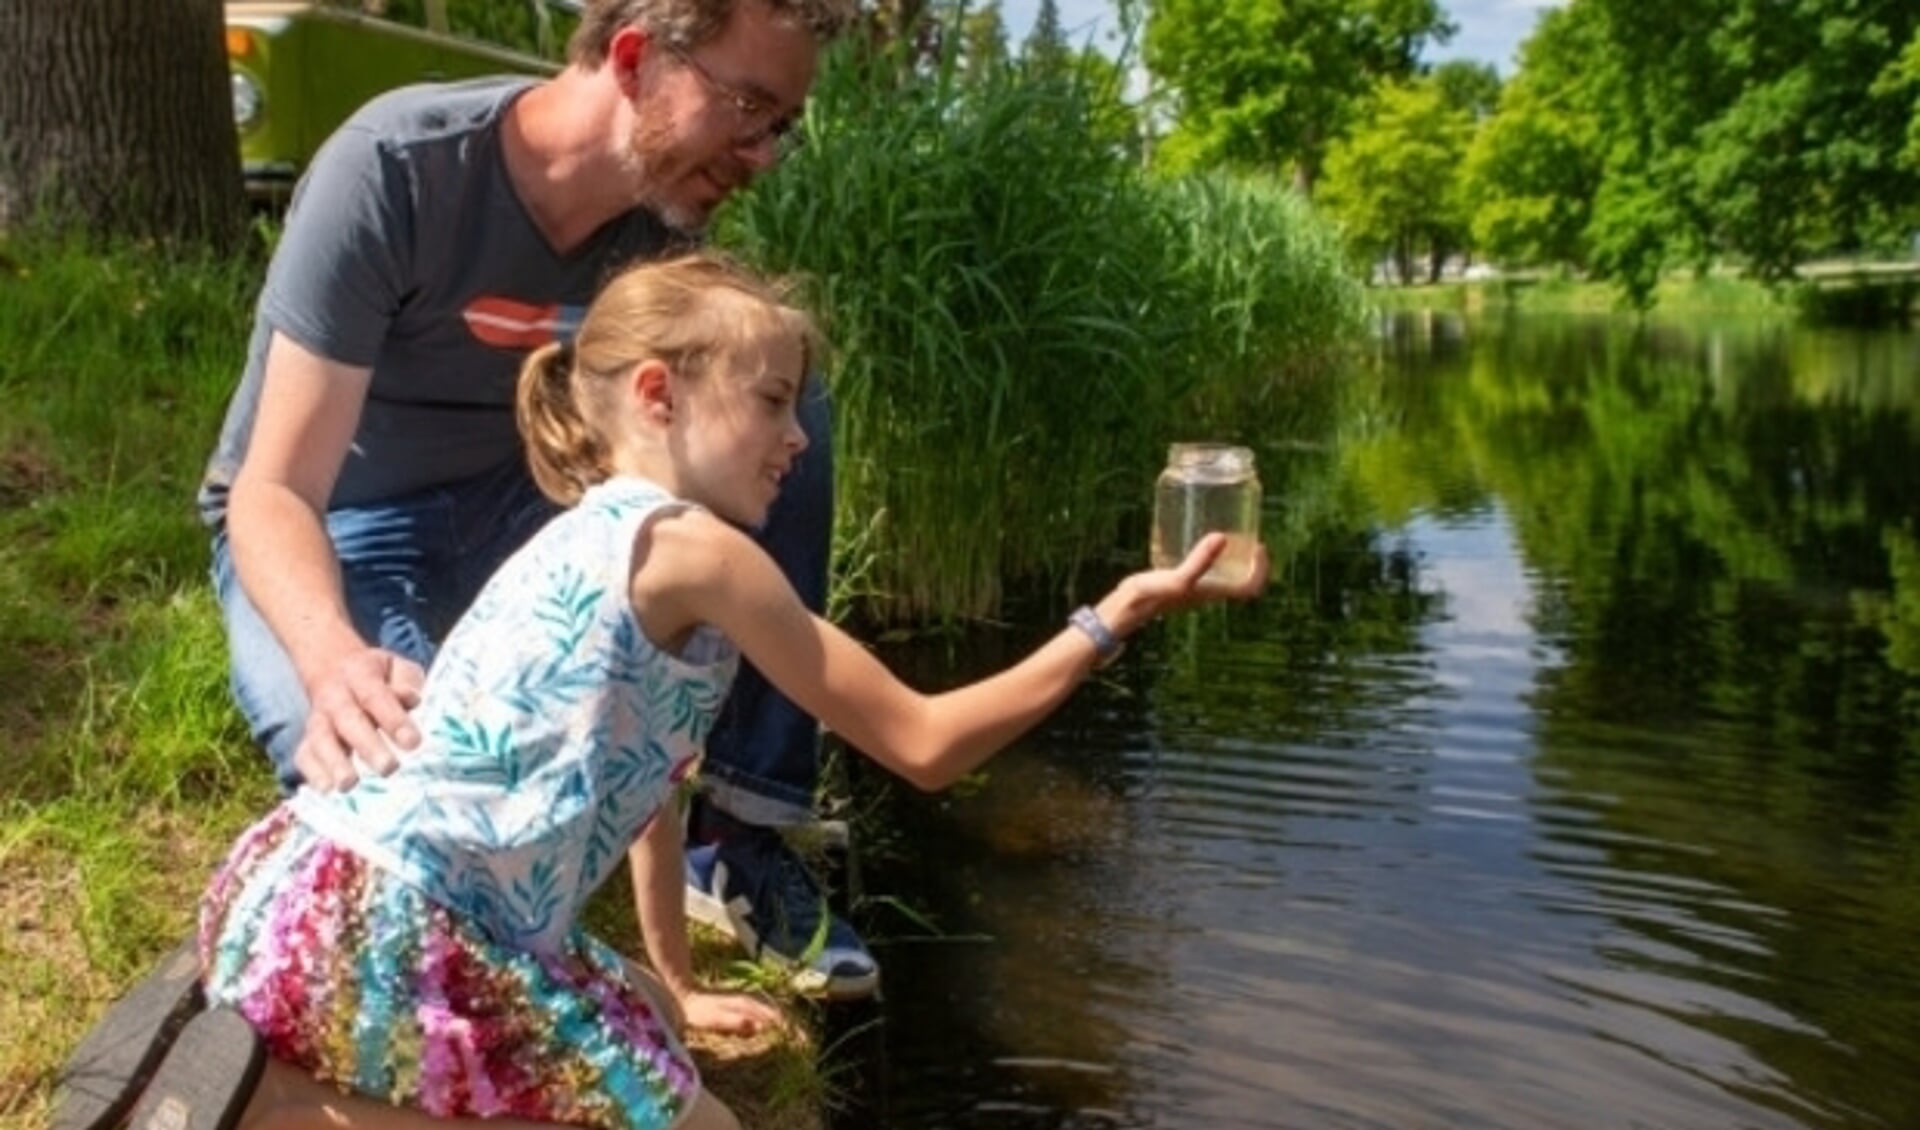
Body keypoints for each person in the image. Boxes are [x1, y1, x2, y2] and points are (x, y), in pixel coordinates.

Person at [121, 253, 1268, 1130]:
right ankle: (283, 1110)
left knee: (652, 1037)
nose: (795, 442)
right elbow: (924, 741)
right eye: (774, 403)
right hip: (400, 924)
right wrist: (1115, 615)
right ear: (661, 392)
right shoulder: (700, 553)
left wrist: (671, 981)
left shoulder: (596, 541)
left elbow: (645, 794)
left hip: (310, 883)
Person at [202, 0, 874, 1016]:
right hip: (348, 523)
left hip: (532, 511)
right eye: (749, 108)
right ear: (640, 59)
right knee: (383, 780)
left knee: (780, 395)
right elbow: (273, 487)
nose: (764, 153)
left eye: (780, 124)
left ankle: (740, 829)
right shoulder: (396, 167)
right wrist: (331, 656)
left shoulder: (661, 230)